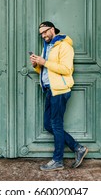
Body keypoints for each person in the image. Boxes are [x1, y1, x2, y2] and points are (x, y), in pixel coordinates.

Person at [30, 21, 88, 171]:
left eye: (44, 32)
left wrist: (45, 62)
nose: (43, 35)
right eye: (41, 34)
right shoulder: (47, 47)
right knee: (49, 124)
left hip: (60, 91)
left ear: (52, 30)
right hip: (50, 90)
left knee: (56, 124)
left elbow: (66, 70)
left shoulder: (64, 46)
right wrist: (37, 65)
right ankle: (78, 148)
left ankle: (57, 161)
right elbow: (45, 70)